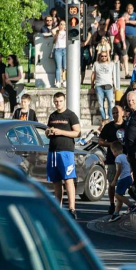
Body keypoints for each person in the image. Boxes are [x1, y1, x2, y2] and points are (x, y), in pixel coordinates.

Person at [46, 91, 82, 220]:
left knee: (68, 179)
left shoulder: (70, 115)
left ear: (64, 101)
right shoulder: (52, 116)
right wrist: (48, 131)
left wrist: (60, 131)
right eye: (56, 101)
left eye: (60, 101)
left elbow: (77, 133)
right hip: (53, 151)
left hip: (66, 151)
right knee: (56, 180)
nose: (58, 104)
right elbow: (47, 132)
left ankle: (72, 208)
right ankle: (58, 208)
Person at [109, 140, 135, 220]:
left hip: (123, 178)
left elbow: (118, 170)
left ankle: (131, 205)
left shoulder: (118, 158)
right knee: (120, 196)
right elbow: (130, 167)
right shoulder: (125, 156)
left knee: (117, 194)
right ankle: (116, 213)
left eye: (113, 152)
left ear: (114, 151)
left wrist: (114, 180)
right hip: (128, 177)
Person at [92, 50, 117, 120]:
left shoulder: (111, 64)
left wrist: (115, 86)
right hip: (99, 85)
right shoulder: (96, 64)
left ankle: (111, 118)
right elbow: (93, 75)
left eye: (105, 56)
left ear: (107, 56)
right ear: (99, 56)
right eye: (102, 56)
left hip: (109, 86)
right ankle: (104, 119)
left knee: (111, 104)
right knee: (100, 105)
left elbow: (114, 75)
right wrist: (92, 85)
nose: (103, 57)